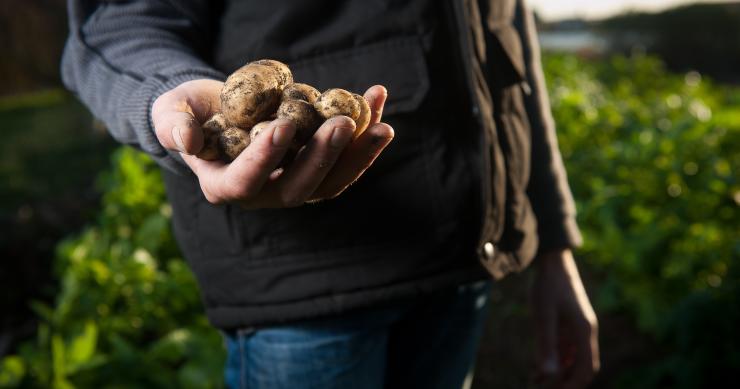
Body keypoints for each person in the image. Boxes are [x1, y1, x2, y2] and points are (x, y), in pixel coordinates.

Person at [61, 0, 600, 388]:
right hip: (306, 290)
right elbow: (118, 23)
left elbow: (509, 46)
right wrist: (166, 96)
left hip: (459, 270)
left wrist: (553, 242)